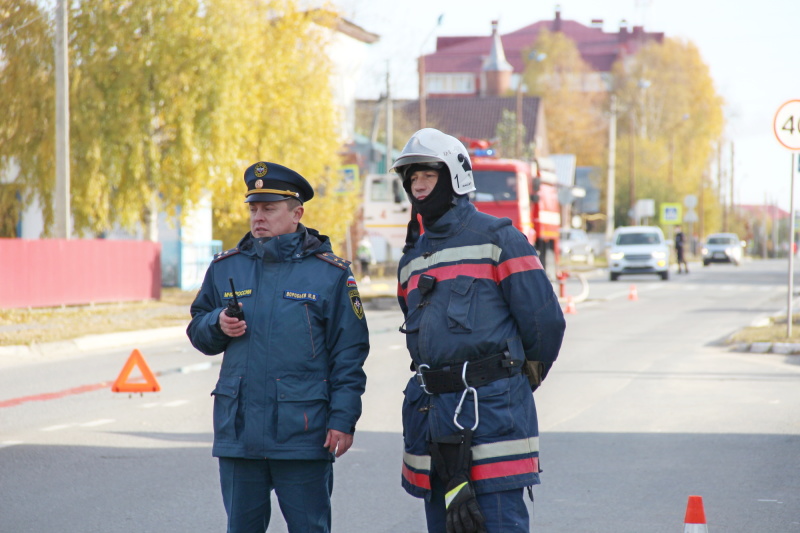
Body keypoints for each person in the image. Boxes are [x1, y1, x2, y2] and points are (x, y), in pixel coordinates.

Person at [392, 129, 566, 533]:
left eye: (428, 175)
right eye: (411, 177)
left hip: (493, 422)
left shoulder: (499, 238)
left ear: (455, 177)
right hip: (434, 425)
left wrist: (511, 382)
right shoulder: (413, 258)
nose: (418, 185)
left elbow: (545, 323)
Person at [186, 161, 370, 533]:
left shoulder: (331, 274)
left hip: (302, 434)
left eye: (269, 208)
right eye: (254, 208)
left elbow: (349, 353)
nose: (259, 217)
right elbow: (198, 328)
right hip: (239, 434)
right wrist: (217, 324)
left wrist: (342, 419)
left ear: (296, 213)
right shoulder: (225, 268)